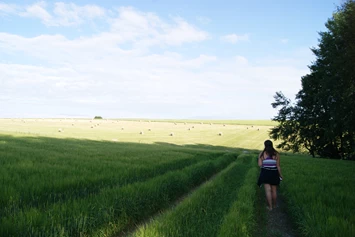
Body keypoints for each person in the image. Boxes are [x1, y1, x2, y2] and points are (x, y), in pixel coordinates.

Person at [257, 140, 283, 211]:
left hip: (265, 173)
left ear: (265, 145)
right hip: (274, 173)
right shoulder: (276, 154)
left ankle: (270, 207)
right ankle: (275, 205)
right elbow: (278, 166)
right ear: (272, 145)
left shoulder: (262, 154)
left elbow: (260, 165)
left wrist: (262, 160)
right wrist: (280, 175)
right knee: (274, 191)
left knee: (268, 190)